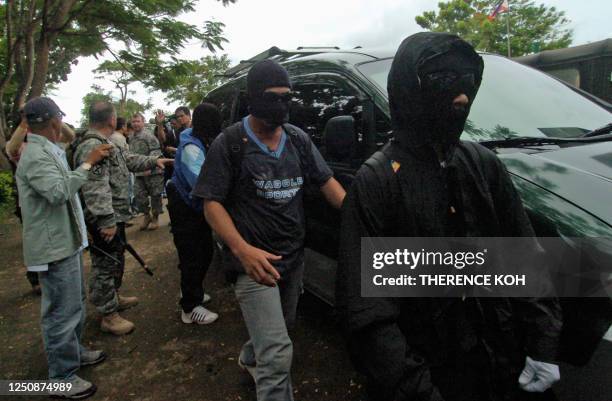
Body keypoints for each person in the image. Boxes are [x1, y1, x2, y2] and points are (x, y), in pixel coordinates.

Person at [336, 32, 563, 401]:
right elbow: (369, 315)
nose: (461, 97)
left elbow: (525, 257)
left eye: (468, 83)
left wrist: (543, 343)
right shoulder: (377, 182)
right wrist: (418, 391)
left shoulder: (483, 166)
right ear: (410, 89)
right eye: (444, 82)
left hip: (501, 365)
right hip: (431, 375)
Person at [193, 60, 346, 401]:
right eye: (273, 97)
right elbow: (211, 204)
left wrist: (361, 215)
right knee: (277, 354)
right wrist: (241, 250)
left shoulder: (297, 139)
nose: (282, 105)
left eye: (287, 98)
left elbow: (327, 183)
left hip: (292, 257)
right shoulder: (230, 143)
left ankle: (250, 357)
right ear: (253, 98)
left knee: (281, 331)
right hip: (254, 263)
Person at [15, 97, 111, 399]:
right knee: (60, 312)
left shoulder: (46, 148)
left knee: (75, 305)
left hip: (66, 241)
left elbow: (67, 141)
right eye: (59, 120)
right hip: (53, 248)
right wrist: (88, 162)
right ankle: (61, 376)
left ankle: (74, 353)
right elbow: (58, 192)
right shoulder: (34, 155)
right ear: (55, 121)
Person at [74, 102, 173, 335]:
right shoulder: (91, 145)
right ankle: (108, 314)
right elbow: (94, 187)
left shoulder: (105, 143)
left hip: (115, 215)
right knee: (105, 263)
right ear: (112, 119)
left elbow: (127, 160)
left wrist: (152, 161)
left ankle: (114, 297)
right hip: (104, 218)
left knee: (116, 258)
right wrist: (105, 219)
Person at [6, 111, 76, 295]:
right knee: (38, 238)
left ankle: (45, 276)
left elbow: (70, 137)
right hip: (32, 205)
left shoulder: (50, 147)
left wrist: (57, 117)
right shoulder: (24, 150)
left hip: (54, 200)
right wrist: (25, 121)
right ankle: (35, 278)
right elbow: (11, 148)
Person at [167, 103, 221, 325]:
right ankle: (189, 308)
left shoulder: (198, 137)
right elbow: (201, 184)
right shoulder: (192, 148)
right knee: (193, 254)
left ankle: (191, 291)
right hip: (185, 206)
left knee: (202, 251)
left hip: (191, 205)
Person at [129, 113, 165, 230]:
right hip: (139, 172)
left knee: (155, 195)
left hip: (153, 171)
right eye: (133, 122)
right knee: (139, 196)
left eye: (138, 121)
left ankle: (155, 218)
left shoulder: (149, 136)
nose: (135, 124)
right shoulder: (131, 137)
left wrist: (149, 167)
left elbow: (156, 151)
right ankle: (146, 216)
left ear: (143, 122)